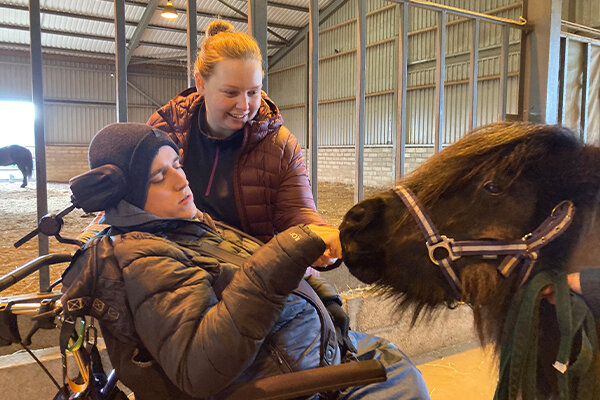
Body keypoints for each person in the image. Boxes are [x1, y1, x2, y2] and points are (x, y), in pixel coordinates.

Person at [61, 123, 430, 400]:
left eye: (176, 163)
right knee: (396, 374)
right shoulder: (147, 257)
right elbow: (199, 366)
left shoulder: (186, 225)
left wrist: (328, 307)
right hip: (292, 384)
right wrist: (288, 251)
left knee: (392, 360)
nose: (180, 180)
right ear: (127, 195)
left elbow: (252, 268)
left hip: (317, 354)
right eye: (159, 176)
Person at [147, 20, 338, 268]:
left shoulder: (279, 144)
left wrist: (319, 237)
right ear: (201, 83)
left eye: (253, 92)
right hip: (176, 265)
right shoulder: (163, 130)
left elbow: (298, 210)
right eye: (230, 92)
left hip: (253, 273)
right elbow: (129, 197)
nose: (244, 106)